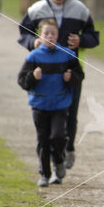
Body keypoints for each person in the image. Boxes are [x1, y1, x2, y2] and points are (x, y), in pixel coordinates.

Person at [18, 0, 100, 170]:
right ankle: (50, 159)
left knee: (70, 113)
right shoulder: (37, 9)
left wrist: (82, 41)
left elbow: (94, 37)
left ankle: (67, 148)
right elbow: (22, 33)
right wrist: (33, 42)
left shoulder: (79, 9)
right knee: (46, 117)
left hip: (69, 71)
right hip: (45, 72)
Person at [17, 19, 84, 187]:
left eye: (53, 33)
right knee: (43, 140)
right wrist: (33, 76)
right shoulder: (34, 57)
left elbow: (79, 75)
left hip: (60, 104)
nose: (50, 36)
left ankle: (59, 162)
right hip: (39, 104)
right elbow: (22, 80)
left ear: (58, 36)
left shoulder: (68, 54)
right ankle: (45, 174)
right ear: (40, 35)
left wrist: (71, 79)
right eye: (46, 33)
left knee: (58, 136)